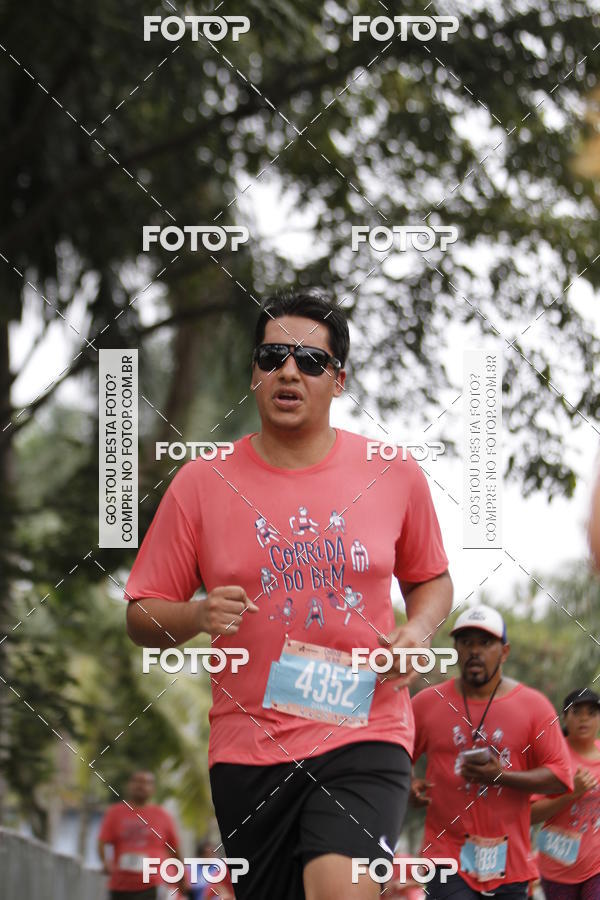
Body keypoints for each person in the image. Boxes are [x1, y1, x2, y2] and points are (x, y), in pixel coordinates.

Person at [125, 287, 453, 899]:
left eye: (311, 361)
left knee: (338, 886)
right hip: (249, 750)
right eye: (273, 356)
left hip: (366, 729)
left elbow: (430, 578)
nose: (289, 371)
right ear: (254, 372)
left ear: (339, 380)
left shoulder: (392, 471)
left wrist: (417, 630)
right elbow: (142, 614)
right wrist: (196, 614)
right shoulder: (202, 482)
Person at [410, 604, 574, 900]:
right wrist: (407, 783)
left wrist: (502, 777)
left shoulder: (534, 707)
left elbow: (561, 777)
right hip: (447, 855)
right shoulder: (426, 704)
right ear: (456, 649)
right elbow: (393, 756)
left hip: (509, 861)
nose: (475, 651)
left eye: (485, 643)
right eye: (466, 642)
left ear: (504, 652)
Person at [531, 688, 600, 899]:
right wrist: (572, 793)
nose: (584, 719)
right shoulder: (552, 759)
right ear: (565, 717)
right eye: (577, 712)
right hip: (557, 867)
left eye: (591, 713)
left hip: (596, 866)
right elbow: (531, 814)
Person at [98, 770, 186, 899]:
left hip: (153, 884)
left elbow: (174, 850)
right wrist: (105, 862)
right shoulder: (115, 813)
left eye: (146, 783)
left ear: (153, 789)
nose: (141, 786)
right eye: (137, 781)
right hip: (120, 885)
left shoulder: (163, 816)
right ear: (129, 786)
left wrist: (182, 878)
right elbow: (102, 842)